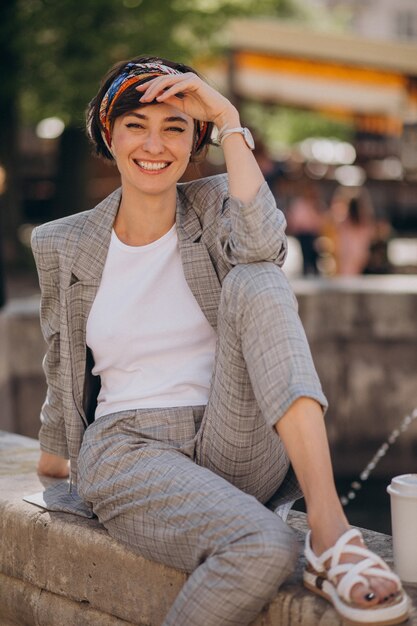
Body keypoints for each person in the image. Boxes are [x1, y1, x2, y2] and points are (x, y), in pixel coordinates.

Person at [31, 56, 409, 626]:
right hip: (129, 446)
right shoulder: (62, 242)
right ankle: (313, 543)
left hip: (230, 435)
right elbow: (60, 357)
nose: (153, 143)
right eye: (136, 124)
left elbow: (263, 248)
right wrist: (52, 459)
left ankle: (330, 530)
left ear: (195, 142)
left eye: (175, 126)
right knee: (263, 545)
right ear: (110, 135)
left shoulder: (213, 205)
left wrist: (229, 117)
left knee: (258, 276)